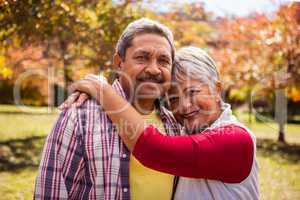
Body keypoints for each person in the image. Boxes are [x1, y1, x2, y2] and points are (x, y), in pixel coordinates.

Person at [62, 46, 259, 199]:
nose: (184, 106)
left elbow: (155, 150)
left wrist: (103, 92)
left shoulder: (236, 139)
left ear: (216, 90)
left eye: (192, 92)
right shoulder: (181, 131)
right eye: (173, 99)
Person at [34, 18, 181, 200]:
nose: (153, 69)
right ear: (119, 63)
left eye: (163, 61)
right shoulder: (80, 117)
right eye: (142, 58)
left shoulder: (175, 125)